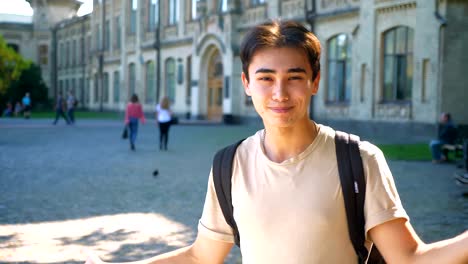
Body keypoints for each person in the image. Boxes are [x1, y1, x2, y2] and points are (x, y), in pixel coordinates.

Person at [86, 20, 468, 264]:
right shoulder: (228, 165)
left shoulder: (360, 160)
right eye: (266, 77)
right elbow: (202, 257)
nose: (280, 92)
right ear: (247, 84)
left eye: (295, 77)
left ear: (315, 81)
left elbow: (411, 259)